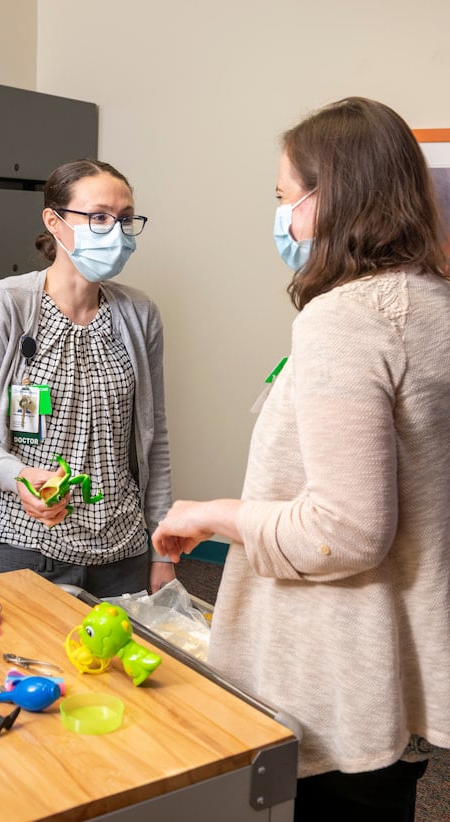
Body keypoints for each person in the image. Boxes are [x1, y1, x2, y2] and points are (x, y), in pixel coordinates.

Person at [152, 97, 450, 822]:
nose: (281, 216)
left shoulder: (346, 318)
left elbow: (344, 530)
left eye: (284, 197)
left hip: (338, 670)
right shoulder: (433, 303)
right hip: (398, 661)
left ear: (332, 198)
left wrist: (213, 514)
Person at [0, 159, 174, 598]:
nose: (116, 230)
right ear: (54, 222)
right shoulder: (5, 305)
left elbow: (155, 438)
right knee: (23, 665)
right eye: (98, 217)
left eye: (125, 219)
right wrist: (18, 475)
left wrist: (162, 550)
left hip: (122, 547)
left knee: (119, 666)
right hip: (28, 542)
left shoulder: (139, 314)